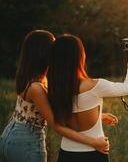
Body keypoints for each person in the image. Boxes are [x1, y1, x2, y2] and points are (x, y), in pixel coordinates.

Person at [0, 30, 112, 162]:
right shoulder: (37, 88)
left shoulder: (28, 78)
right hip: (27, 140)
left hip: (11, 134)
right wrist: (93, 142)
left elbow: (58, 113)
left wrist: (98, 116)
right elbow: (58, 124)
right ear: (45, 53)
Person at [47, 34, 128, 162]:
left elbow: (68, 115)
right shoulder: (95, 86)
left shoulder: (52, 89)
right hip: (94, 153)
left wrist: (99, 116)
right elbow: (127, 87)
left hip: (66, 154)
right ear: (80, 57)